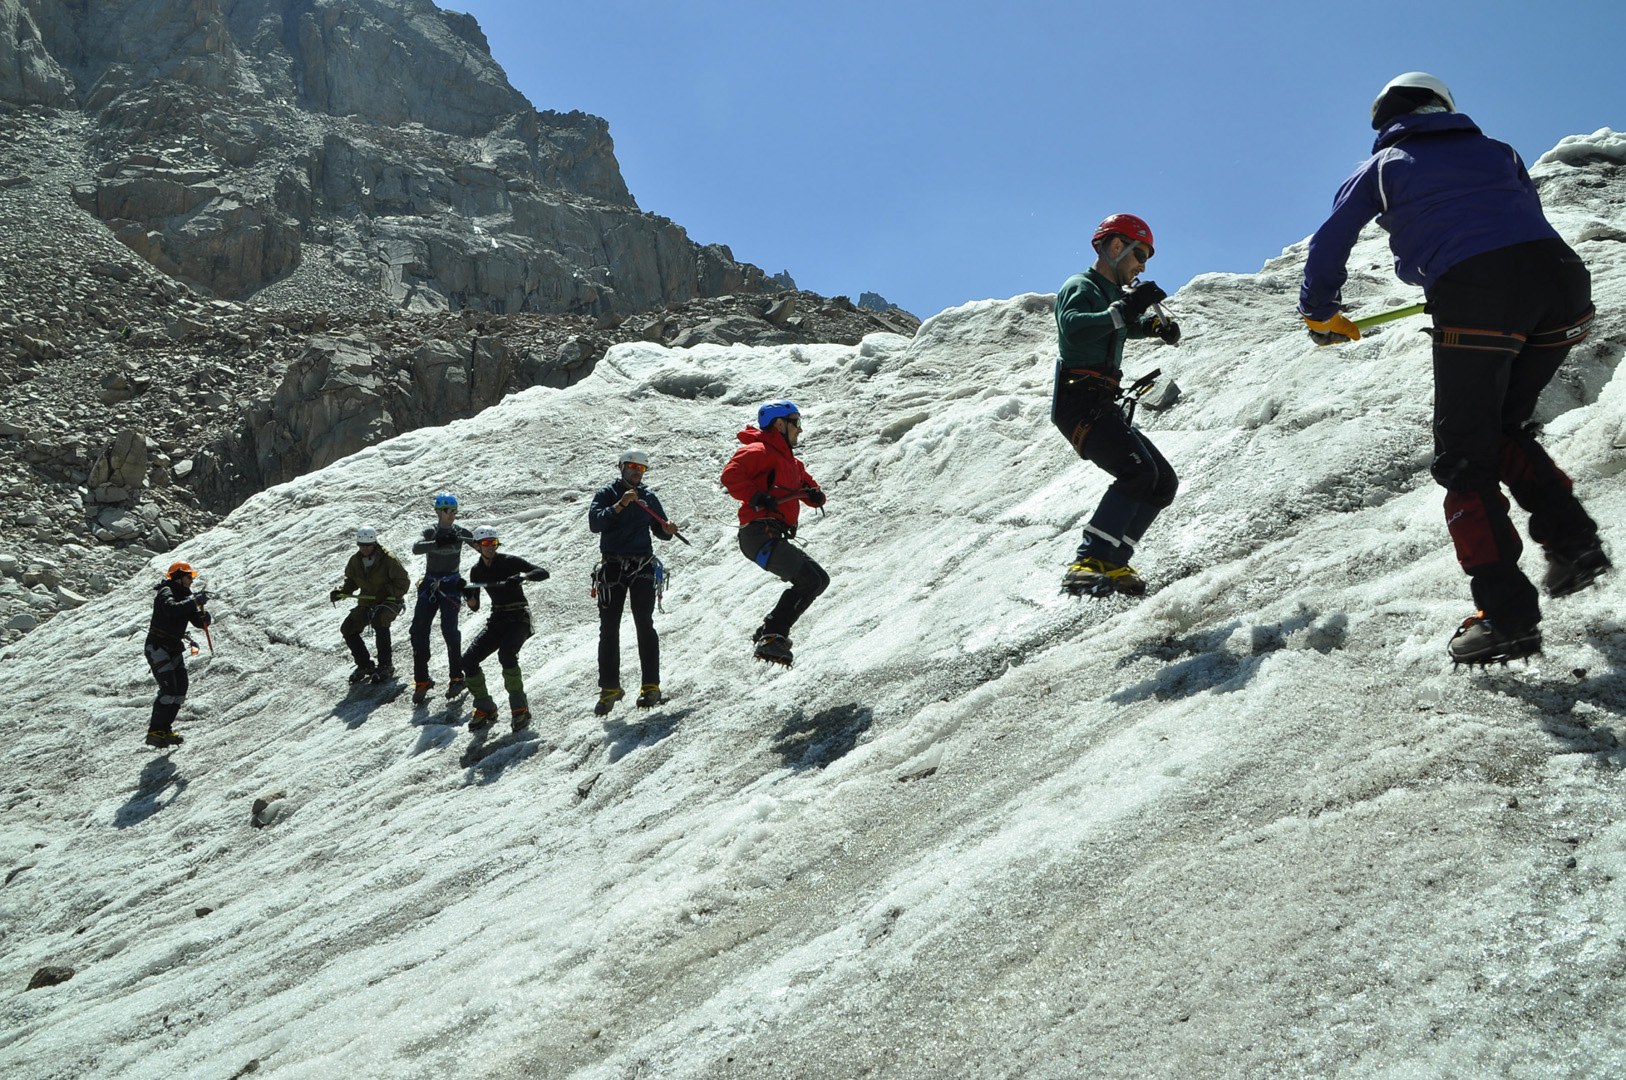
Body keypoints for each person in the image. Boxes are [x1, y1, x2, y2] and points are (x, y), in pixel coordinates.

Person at [1298, 72, 1605, 664]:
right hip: (1564, 288)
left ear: (1386, 119)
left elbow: (1329, 243)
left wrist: (1321, 313)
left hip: (1477, 296)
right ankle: (1574, 543)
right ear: (1444, 108)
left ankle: (1506, 617)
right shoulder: (1500, 151)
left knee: (1465, 457)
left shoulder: (1385, 166)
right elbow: (1523, 218)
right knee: (1503, 429)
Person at [1052, 213, 1182, 597]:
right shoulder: (1081, 285)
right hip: (1079, 401)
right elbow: (1075, 325)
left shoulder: (1112, 298)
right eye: (1139, 254)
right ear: (1114, 246)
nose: (1141, 265)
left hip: (1100, 402)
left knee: (1162, 483)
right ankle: (1088, 560)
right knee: (1136, 472)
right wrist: (1125, 311)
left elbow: (1121, 323)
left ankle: (1114, 559)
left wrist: (1152, 326)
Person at [720, 400, 828, 666]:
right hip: (758, 534)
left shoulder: (792, 463)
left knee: (819, 580)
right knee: (810, 581)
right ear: (780, 424)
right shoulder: (760, 450)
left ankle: (767, 634)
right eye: (796, 422)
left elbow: (814, 493)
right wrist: (755, 497)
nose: (800, 430)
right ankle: (771, 635)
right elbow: (730, 474)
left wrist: (815, 496)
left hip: (769, 535)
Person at [588, 449, 679, 715]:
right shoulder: (607, 495)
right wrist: (620, 505)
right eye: (631, 467)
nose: (636, 472)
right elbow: (595, 523)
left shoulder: (649, 498)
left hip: (641, 566)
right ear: (621, 467)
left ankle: (651, 686)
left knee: (644, 625)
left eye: (641, 468)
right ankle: (609, 688)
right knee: (609, 629)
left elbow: (660, 531)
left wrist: (667, 529)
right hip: (613, 567)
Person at [460, 524, 549, 731]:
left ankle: (520, 709)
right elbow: (475, 607)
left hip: (519, 618)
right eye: (486, 544)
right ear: (477, 546)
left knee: (507, 654)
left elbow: (543, 572)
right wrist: (467, 594)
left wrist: (523, 577)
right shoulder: (476, 571)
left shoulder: (510, 562)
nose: (491, 547)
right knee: (468, 660)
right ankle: (484, 706)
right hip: (498, 619)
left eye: (493, 543)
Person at [409, 492, 476, 704]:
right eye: (448, 511)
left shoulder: (460, 532)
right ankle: (422, 679)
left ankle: (457, 677)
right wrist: (438, 542)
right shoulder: (431, 531)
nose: (452, 515)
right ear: (439, 511)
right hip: (431, 584)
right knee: (419, 629)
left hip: (450, 583)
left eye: (454, 511)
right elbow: (416, 548)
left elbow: (480, 545)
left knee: (449, 630)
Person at [143, 561, 212, 748]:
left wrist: (204, 618)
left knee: (180, 687)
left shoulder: (184, 596)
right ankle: (155, 730)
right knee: (169, 688)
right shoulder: (166, 591)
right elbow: (171, 608)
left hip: (172, 647)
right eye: (189, 577)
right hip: (158, 646)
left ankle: (164, 729)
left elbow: (196, 621)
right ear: (179, 577)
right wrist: (193, 602)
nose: (191, 581)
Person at [330, 525, 410, 684]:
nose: (365, 548)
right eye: (361, 545)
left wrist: (386, 593)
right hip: (367, 601)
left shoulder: (389, 559)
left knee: (379, 620)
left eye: (368, 545)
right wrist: (341, 592)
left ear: (375, 544)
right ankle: (364, 665)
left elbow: (403, 583)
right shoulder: (355, 561)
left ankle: (385, 664)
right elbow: (351, 581)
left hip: (390, 602)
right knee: (348, 628)